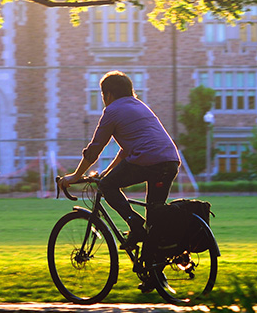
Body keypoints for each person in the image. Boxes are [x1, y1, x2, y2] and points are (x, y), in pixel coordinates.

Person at [59, 71, 180, 250]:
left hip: (147, 161)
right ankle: (154, 271)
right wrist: (107, 171)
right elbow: (126, 151)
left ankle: (135, 224)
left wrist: (75, 176)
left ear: (107, 94)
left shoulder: (112, 110)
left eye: (103, 95)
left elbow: (94, 150)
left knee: (107, 186)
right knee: (154, 219)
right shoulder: (140, 106)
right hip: (170, 162)